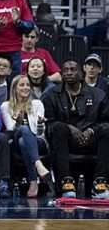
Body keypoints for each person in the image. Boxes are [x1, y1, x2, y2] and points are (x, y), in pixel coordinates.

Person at [42, 59, 109, 199]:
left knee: (107, 130)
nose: (69, 73)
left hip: (92, 140)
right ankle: (67, 182)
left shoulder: (98, 95)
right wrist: (69, 128)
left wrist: (91, 131)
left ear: (81, 72)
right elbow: (48, 124)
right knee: (58, 127)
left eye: (73, 70)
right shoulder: (51, 94)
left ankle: (99, 183)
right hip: (64, 141)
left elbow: (105, 121)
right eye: (65, 70)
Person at [0, 75, 56, 198]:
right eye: (22, 85)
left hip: (37, 142)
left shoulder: (37, 104)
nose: (25, 88)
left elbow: (40, 132)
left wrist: (41, 124)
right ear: (14, 88)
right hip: (14, 141)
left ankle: (33, 181)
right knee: (23, 132)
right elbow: (10, 129)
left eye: (27, 85)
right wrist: (18, 122)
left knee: (23, 142)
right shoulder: (5, 106)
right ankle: (38, 165)